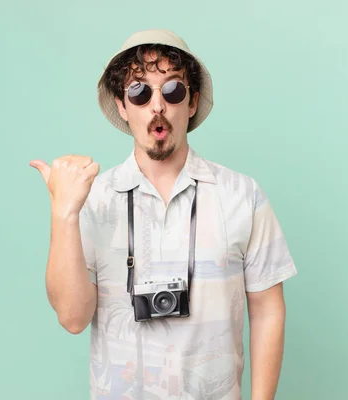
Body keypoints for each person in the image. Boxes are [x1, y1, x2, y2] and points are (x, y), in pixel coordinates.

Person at [29, 29, 297, 400]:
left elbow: (268, 310)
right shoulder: (94, 199)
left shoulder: (242, 195)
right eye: (139, 92)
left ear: (191, 103)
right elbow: (73, 318)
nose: (157, 105)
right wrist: (64, 212)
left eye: (172, 90)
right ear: (122, 106)